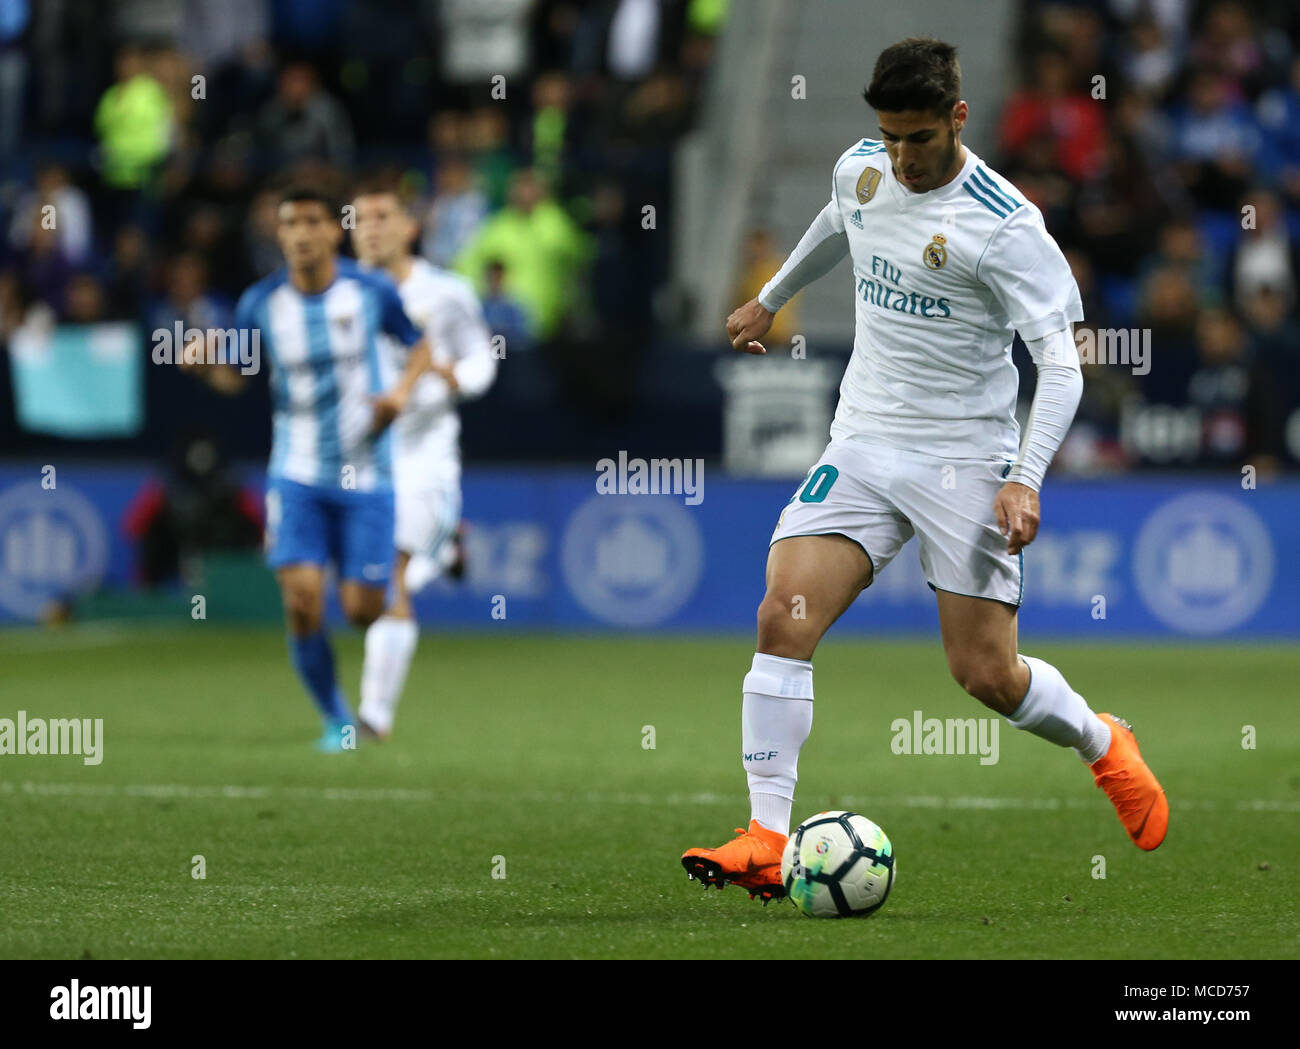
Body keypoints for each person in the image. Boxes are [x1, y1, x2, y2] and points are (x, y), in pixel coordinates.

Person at [681, 38, 1169, 904]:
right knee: (781, 615)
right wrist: (772, 297)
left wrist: (1025, 476)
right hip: (864, 440)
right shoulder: (864, 168)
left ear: (958, 118)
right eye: (888, 136)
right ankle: (764, 833)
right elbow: (839, 222)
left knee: (986, 674)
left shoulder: (1008, 226)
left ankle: (1103, 741)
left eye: (917, 138)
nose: (900, 157)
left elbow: (1057, 364)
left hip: (964, 458)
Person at [186, 185, 431, 751]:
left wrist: (399, 393)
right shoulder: (261, 303)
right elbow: (237, 379)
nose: (299, 233)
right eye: (289, 223)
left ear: (332, 231)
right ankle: (337, 719)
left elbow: (419, 347)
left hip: (368, 474)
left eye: (311, 222)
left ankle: (357, 672)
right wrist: (206, 369)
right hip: (296, 473)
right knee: (300, 598)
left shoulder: (369, 290)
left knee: (364, 609)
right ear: (280, 235)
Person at [350, 181, 497, 740]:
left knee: (389, 573)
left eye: (383, 213)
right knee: (358, 587)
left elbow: (480, 353)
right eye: (360, 215)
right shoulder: (339, 293)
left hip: (421, 449)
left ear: (410, 228)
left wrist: (457, 376)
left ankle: (374, 715)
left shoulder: (446, 292)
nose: (371, 225)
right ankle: (446, 547)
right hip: (357, 454)